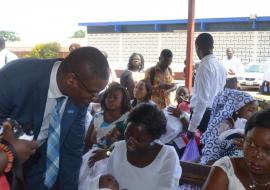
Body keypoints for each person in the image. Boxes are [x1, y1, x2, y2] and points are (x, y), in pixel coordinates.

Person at [0, 46, 110, 190]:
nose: (95, 98)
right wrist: (8, 152)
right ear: (71, 80)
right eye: (93, 93)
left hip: (38, 170)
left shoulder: (80, 95)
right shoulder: (13, 79)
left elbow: (72, 151)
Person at [106, 103, 182, 190]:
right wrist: (107, 152)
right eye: (128, 134)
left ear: (153, 138)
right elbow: (106, 184)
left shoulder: (167, 156)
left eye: (139, 139)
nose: (130, 141)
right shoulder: (118, 147)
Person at [202, 108, 270, 190]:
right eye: (251, 144)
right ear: (243, 140)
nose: (257, 155)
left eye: (268, 150)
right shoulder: (227, 169)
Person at [200, 89, 258, 164]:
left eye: (256, 110)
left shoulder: (243, 124)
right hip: (216, 163)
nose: (255, 113)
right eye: (251, 110)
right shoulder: (224, 125)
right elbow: (216, 148)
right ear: (237, 109)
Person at [187, 33, 227, 138]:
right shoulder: (221, 67)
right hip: (214, 114)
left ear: (197, 47)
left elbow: (202, 100)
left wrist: (192, 128)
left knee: (196, 151)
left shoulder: (204, 67)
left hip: (203, 117)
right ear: (212, 47)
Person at [84, 83, 130, 152]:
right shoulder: (98, 116)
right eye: (108, 96)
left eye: (115, 97)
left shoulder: (127, 119)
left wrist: (106, 153)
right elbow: (87, 143)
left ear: (123, 100)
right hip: (93, 156)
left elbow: (124, 149)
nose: (110, 99)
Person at [79, 126, 124, 190]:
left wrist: (107, 153)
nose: (109, 136)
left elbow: (112, 151)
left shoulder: (115, 157)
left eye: (114, 136)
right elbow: (81, 174)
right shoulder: (96, 152)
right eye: (110, 132)